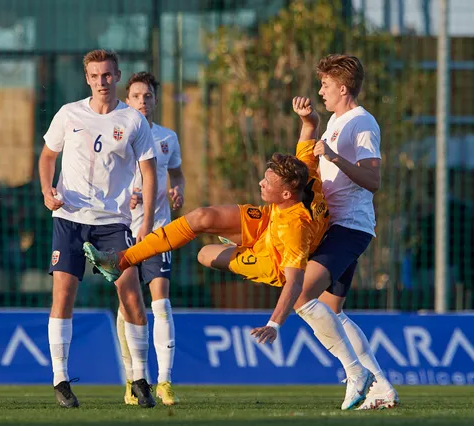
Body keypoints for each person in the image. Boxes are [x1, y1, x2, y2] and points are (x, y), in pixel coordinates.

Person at [84, 96, 328, 361]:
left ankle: (237, 244)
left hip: (270, 260)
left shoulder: (295, 229)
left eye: (268, 183)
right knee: (202, 216)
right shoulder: (306, 174)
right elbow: (310, 129)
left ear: (287, 194)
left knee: (204, 254)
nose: (260, 183)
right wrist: (307, 118)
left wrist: (274, 324)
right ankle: (122, 259)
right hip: (268, 221)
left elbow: (294, 282)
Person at [39, 49, 158, 408]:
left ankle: (140, 378)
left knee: (131, 294)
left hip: (113, 222)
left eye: (107, 75)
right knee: (63, 294)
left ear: (117, 76)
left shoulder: (133, 121)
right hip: (70, 218)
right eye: (95, 76)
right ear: (87, 78)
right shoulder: (69, 114)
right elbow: (47, 157)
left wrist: (148, 223)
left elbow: (150, 173)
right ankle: (60, 379)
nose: (101, 82)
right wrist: (48, 192)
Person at [293, 54, 398, 410]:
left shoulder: (362, 122)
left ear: (342, 87)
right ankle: (381, 385)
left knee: (300, 295)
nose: (320, 89)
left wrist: (336, 157)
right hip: (334, 226)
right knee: (331, 311)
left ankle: (356, 373)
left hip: (350, 227)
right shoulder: (336, 121)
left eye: (325, 84)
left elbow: (373, 180)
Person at [118, 72, 185, 406]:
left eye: (147, 96)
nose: (142, 102)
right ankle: (132, 380)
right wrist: (127, 196)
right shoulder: (119, 135)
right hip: (122, 229)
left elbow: (177, 174)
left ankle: (165, 381)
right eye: (136, 96)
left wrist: (178, 191)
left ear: (155, 100)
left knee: (161, 303)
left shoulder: (167, 138)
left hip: (158, 229)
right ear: (127, 100)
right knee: (127, 306)